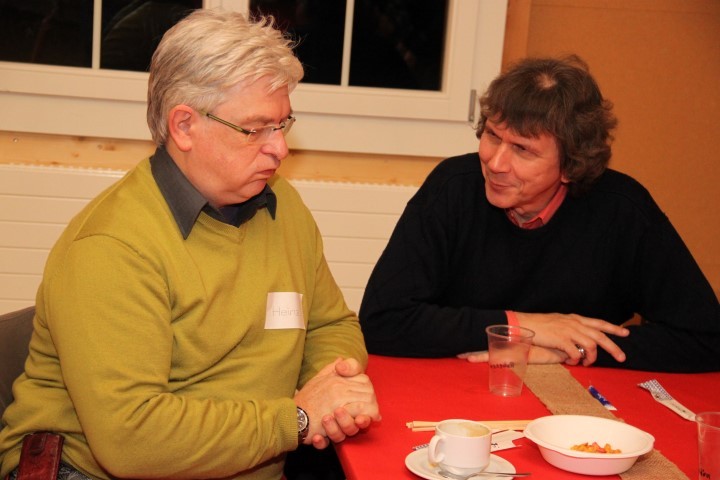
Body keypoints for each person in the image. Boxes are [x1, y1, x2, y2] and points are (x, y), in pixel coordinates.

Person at [0, 9, 380, 480]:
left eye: (283, 124)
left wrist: (330, 388)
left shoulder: (282, 204)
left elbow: (330, 325)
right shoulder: (112, 246)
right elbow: (132, 440)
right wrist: (297, 419)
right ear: (183, 126)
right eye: (255, 129)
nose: (279, 148)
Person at [359, 54, 720, 373]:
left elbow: (706, 338)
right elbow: (382, 321)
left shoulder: (623, 211)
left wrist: (570, 350)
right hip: (460, 384)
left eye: (523, 149)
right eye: (493, 136)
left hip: (581, 400)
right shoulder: (452, 187)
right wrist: (522, 327)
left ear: (571, 166)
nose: (495, 163)